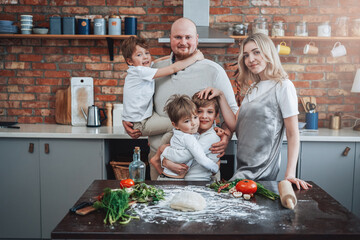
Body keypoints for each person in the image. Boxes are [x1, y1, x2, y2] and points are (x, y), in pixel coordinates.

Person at [123, 18, 238, 180]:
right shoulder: (155, 69)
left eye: (188, 37)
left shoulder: (214, 71)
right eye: (178, 37)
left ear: (197, 39)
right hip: (161, 163)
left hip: (201, 165)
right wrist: (127, 118)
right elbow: (137, 96)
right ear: (170, 38)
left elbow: (232, 112)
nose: (183, 42)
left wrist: (225, 136)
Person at [198, 33, 312, 190]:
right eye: (246, 55)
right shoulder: (253, 88)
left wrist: (290, 174)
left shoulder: (283, 86)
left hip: (262, 173)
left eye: (256, 52)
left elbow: (293, 134)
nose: (250, 59)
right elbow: (235, 125)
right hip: (242, 172)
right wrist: (221, 96)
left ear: (268, 52)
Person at [120, 36, 204, 145]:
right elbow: (172, 69)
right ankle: (161, 150)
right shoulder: (140, 71)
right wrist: (195, 57)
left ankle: (154, 140)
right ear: (130, 61)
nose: (145, 57)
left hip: (145, 117)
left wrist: (178, 56)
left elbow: (158, 61)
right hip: (140, 123)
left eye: (147, 53)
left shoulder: (142, 70)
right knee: (175, 124)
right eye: (139, 55)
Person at [151, 92, 222, 181]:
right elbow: (178, 151)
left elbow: (190, 155)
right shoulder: (187, 134)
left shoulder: (210, 137)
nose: (204, 116)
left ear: (216, 115)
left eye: (210, 112)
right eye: (199, 111)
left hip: (196, 181)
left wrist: (164, 150)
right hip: (181, 180)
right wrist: (164, 160)